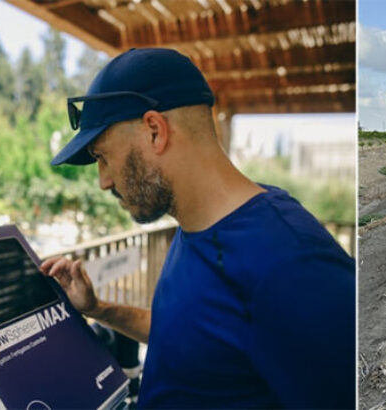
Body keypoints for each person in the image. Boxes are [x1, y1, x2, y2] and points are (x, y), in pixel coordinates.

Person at [38, 48, 355, 409]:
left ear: (155, 131)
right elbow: (190, 337)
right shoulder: (196, 225)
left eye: (102, 157)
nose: (104, 182)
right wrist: (99, 309)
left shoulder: (293, 266)